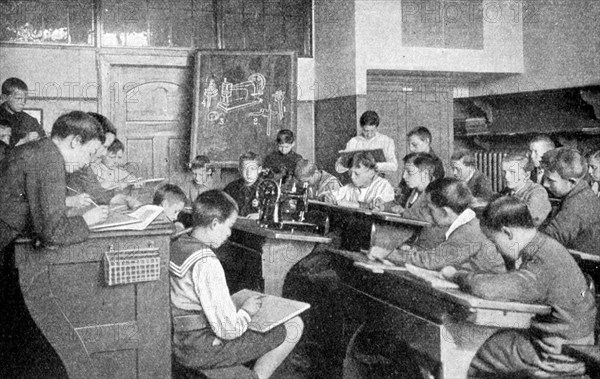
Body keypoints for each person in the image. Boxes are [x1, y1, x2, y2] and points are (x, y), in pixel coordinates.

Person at [0, 111, 109, 378]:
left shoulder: (38, 150)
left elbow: (23, 201)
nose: (88, 161)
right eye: (90, 151)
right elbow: (53, 231)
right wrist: (88, 221)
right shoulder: (49, 159)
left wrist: (66, 204)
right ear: (74, 141)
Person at [443, 196, 596, 378]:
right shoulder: (545, 246)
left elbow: (488, 289)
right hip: (565, 342)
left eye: (493, 241)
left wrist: (455, 275)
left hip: (557, 353)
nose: (496, 248)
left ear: (508, 233)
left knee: (476, 354)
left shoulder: (542, 261)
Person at [170, 190, 303, 379]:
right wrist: (246, 311)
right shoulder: (206, 262)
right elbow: (228, 330)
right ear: (214, 224)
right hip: (201, 349)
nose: (229, 233)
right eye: (229, 226)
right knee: (293, 325)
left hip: (181, 343)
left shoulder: (178, 244)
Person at [370, 177, 505, 273]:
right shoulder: (468, 223)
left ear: (445, 212)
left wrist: (388, 253)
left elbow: (432, 260)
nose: (427, 213)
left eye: (430, 209)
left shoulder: (469, 231)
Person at [540, 147, 600, 256]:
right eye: (545, 178)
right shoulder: (578, 193)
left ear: (572, 182)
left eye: (551, 180)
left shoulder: (580, 203)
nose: (545, 184)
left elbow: (549, 239)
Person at [326, 151, 395, 210]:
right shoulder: (350, 188)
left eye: (356, 174)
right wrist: (327, 197)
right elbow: (328, 194)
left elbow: (386, 207)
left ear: (371, 173)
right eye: (350, 173)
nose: (352, 177)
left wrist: (361, 205)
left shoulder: (383, 186)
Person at [335, 111, 398, 175]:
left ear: (376, 127)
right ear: (361, 127)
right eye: (366, 131)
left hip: (377, 181)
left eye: (372, 131)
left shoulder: (386, 141)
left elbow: (394, 166)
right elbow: (338, 168)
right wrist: (344, 161)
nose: (369, 135)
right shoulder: (353, 142)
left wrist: (376, 165)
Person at [499, 153, 551, 226]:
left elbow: (528, 221)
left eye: (512, 172)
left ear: (526, 175)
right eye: (504, 172)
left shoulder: (537, 192)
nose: (506, 177)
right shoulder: (507, 191)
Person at [0, 77, 46, 148]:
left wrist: (39, 137)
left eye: (25, 99)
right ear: (4, 97)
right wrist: (24, 140)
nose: (23, 103)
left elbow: (44, 140)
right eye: (18, 99)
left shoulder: (29, 120)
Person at [224, 151, 263, 217]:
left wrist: (260, 215)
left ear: (259, 170)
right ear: (240, 170)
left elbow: (275, 212)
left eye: (252, 169)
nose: (249, 173)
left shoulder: (266, 188)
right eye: (245, 169)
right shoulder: (231, 188)